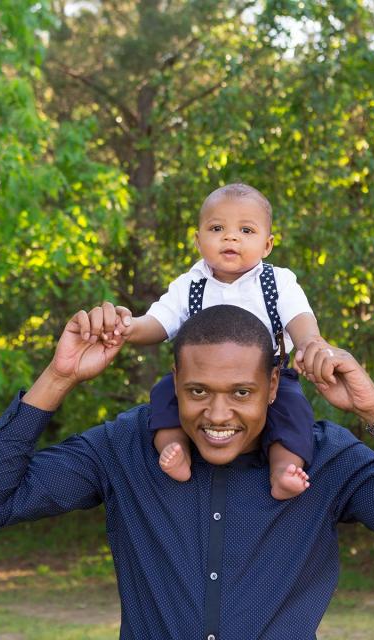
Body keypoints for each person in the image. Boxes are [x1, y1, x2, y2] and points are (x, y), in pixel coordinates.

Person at [0, 303, 374, 640]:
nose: (217, 415)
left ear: (275, 384)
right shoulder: (124, 448)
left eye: (241, 392)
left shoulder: (327, 462)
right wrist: (59, 376)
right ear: (174, 378)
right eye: (197, 392)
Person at [114, 183, 329, 499]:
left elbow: (299, 317)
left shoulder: (277, 281)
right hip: (201, 379)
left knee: (292, 409)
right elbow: (160, 320)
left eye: (246, 230)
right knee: (164, 395)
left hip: (266, 376)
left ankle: (283, 469)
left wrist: (311, 342)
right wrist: (129, 327)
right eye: (217, 228)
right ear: (199, 241)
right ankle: (175, 449)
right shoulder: (190, 285)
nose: (231, 237)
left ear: (267, 245)